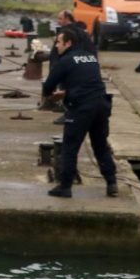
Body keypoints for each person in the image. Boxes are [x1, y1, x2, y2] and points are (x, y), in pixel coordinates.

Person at [42, 28, 118, 198]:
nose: (56, 47)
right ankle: (112, 183)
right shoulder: (90, 57)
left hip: (81, 108)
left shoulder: (65, 61)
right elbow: (86, 82)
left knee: (70, 147)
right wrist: (68, 92)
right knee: (100, 146)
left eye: (59, 43)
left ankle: (65, 186)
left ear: (68, 43)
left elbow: (48, 86)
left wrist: (52, 95)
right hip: (101, 104)